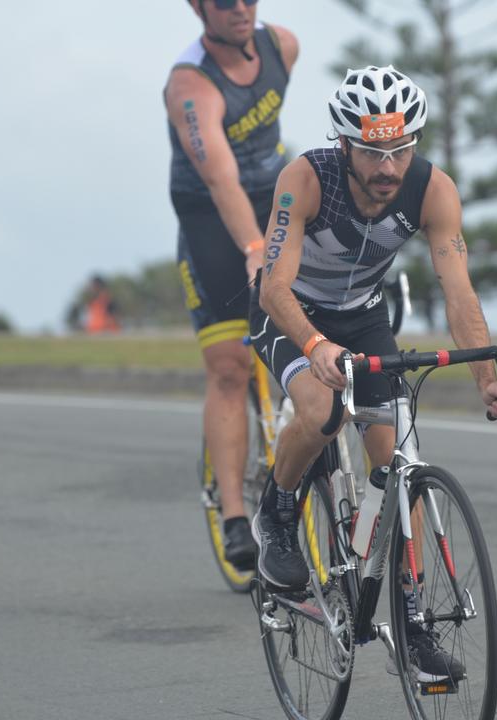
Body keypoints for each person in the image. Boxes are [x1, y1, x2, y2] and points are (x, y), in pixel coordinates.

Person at [248, 65, 497, 681]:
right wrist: (314, 344)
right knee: (321, 410)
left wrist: (485, 377)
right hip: (292, 312)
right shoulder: (305, 180)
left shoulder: (432, 189)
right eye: (372, 151)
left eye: (400, 149)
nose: (388, 168)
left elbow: (459, 294)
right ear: (345, 144)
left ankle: (412, 619)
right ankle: (279, 508)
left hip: (364, 316)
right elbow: (273, 287)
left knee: (399, 451)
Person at [165, 0, 298, 571]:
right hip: (211, 220)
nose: (240, 8)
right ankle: (235, 516)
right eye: (224, 1)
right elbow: (220, 179)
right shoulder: (190, 86)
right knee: (229, 367)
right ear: (198, 8)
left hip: (276, 200)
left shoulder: (284, 46)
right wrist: (253, 249)